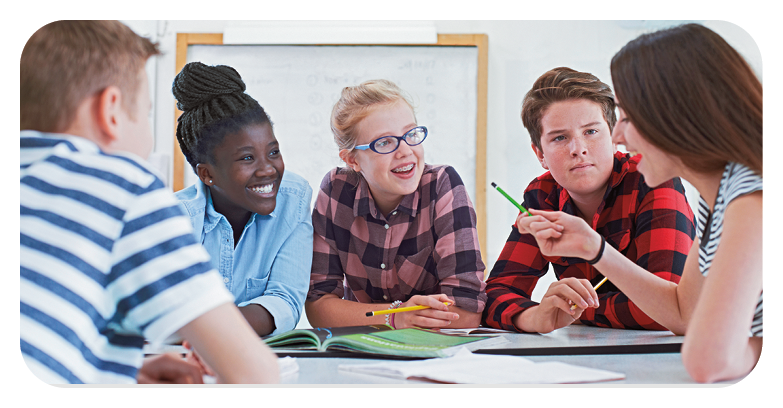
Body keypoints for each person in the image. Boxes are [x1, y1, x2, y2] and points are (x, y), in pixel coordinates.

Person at [20, 20, 279, 384]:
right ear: (110, 111)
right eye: (144, 112)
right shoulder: (122, 187)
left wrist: (128, 373)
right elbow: (255, 374)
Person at [516, 24, 762, 383]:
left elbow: (710, 360)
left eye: (628, 118)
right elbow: (682, 312)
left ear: (677, 119)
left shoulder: (753, 196)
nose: (617, 136)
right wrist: (594, 248)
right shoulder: (720, 199)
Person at [483, 67, 696, 334]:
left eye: (591, 132)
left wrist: (573, 310)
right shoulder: (542, 195)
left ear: (614, 137)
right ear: (540, 153)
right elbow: (494, 295)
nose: (578, 149)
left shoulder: (652, 178)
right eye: (560, 138)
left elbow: (667, 310)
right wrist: (537, 317)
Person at [306, 79, 486, 329]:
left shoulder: (442, 185)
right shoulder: (336, 190)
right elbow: (319, 307)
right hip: (361, 350)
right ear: (352, 160)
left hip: (435, 351)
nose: (405, 151)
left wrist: (385, 317)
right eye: (384, 142)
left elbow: (466, 311)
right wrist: (395, 315)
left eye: (411, 134)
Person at [172, 62, 313, 337]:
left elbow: (285, 301)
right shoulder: (176, 220)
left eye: (273, 152)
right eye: (247, 158)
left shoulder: (293, 199)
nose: (268, 170)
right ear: (208, 174)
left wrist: (210, 326)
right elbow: (165, 316)